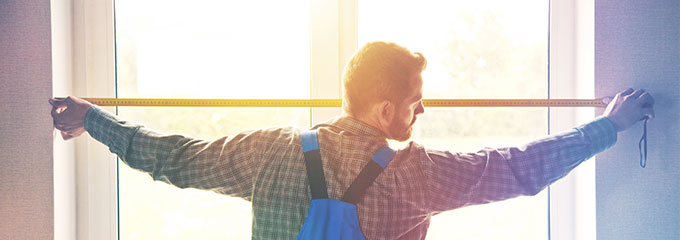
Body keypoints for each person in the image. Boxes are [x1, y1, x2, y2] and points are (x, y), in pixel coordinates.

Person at [50, 41, 655, 240]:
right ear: (387, 106)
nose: (422, 112)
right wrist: (609, 125)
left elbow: (171, 158)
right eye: (416, 101)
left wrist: (93, 118)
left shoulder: (266, 149)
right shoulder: (414, 172)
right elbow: (520, 169)